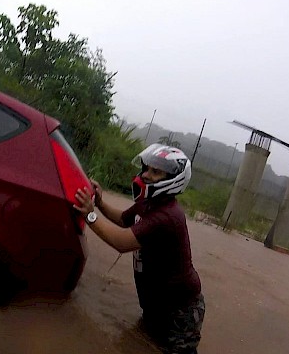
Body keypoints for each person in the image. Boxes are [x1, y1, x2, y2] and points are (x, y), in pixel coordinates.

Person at [74, 143, 205, 354]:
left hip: (179, 309)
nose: (145, 175)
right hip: (155, 303)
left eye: (155, 172)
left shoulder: (167, 216)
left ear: (173, 179)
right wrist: (99, 203)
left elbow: (121, 242)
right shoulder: (148, 203)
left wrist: (90, 216)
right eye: (146, 169)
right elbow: (124, 219)